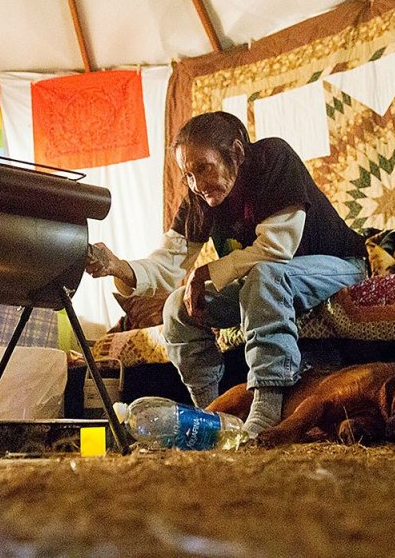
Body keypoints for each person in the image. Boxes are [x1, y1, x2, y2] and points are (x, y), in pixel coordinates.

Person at [85, 111, 367, 437]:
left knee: (265, 276)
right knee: (176, 307)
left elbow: (277, 248)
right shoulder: (199, 197)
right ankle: (213, 412)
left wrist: (205, 273)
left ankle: (267, 405)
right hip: (272, 279)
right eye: (187, 175)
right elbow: (169, 264)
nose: (197, 184)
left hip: (339, 266)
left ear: (236, 152)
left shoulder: (272, 158)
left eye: (203, 168)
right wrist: (117, 266)